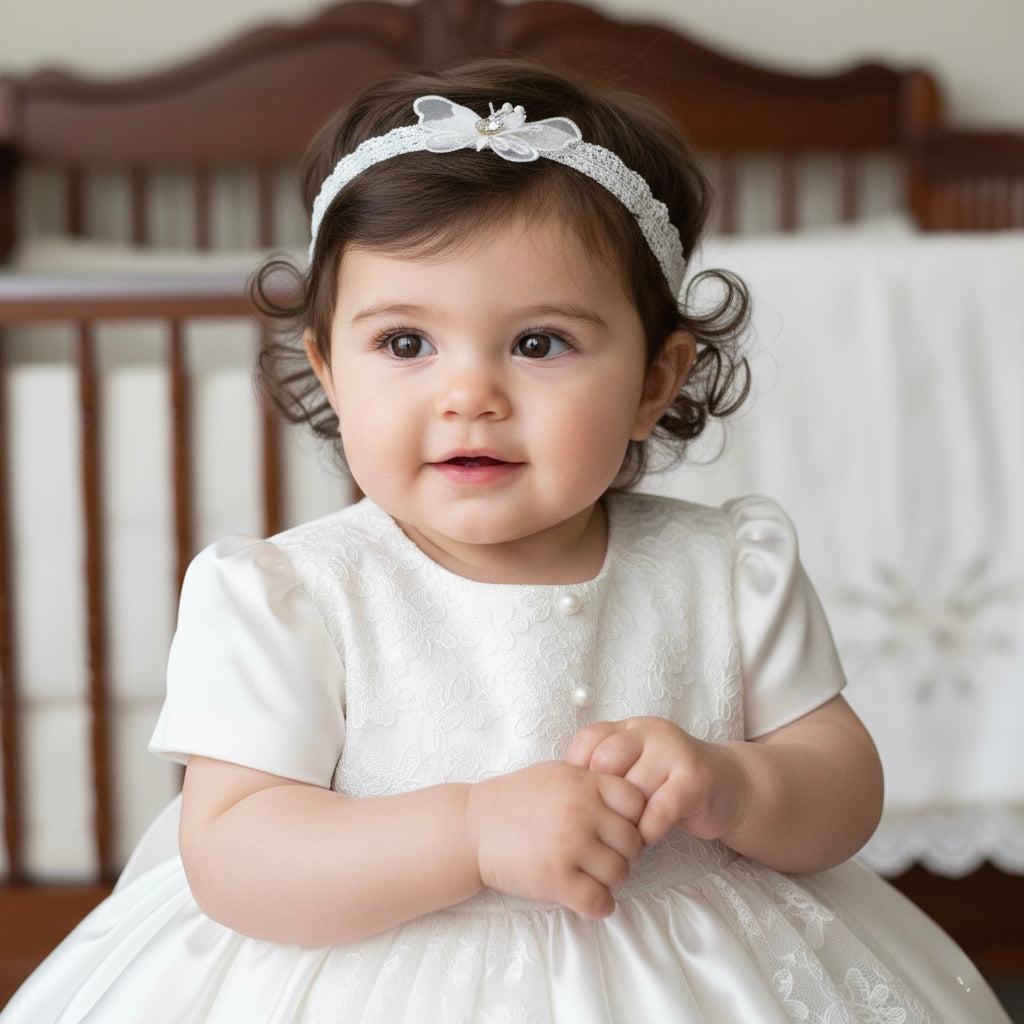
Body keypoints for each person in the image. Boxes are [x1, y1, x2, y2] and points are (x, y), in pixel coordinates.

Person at [2, 59, 1011, 1024]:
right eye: (405, 343)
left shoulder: (725, 569)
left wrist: (736, 781)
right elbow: (234, 853)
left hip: (695, 970)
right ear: (330, 367)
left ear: (657, 380)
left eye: (539, 343)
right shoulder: (292, 594)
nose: (469, 394)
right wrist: (471, 830)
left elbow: (842, 788)